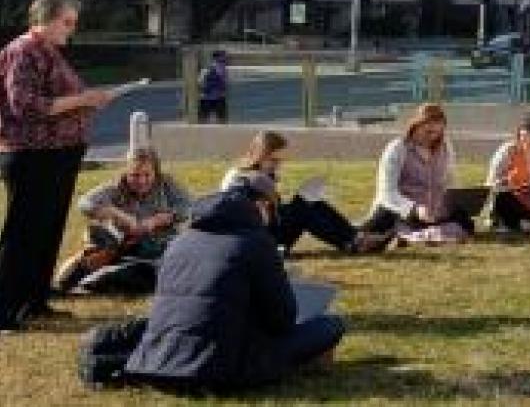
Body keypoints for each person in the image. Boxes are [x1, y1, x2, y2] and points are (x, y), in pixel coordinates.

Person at [123, 183, 346, 392]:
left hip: (156, 362)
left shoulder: (179, 242)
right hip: (223, 368)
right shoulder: (256, 243)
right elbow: (282, 320)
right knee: (331, 324)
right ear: (259, 207)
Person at [0, 0, 117, 332]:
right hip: (33, 155)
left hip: (59, 154)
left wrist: (90, 102)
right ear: (45, 20)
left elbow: (60, 100)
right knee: (23, 233)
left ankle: (34, 302)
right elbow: (24, 104)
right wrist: (82, 99)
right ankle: (6, 308)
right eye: (67, 22)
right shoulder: (24, 50)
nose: (71, 29)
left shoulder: (50, 52)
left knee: (48, 230)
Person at [224, 131, 391, 254]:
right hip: (263, 241)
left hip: (258, 235)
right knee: (305, 207)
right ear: (260, 155)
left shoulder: (239, 173)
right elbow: (271, 216)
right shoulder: (257, 178)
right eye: (274, 160)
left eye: (280, 161)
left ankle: (355, 239)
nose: (277, 165)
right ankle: (354, 241)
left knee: (311, 203)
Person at [54, 147, 192, 295]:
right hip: (122, 246)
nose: (141, 181)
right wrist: (118, 215)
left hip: (159, 246)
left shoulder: (166, 184)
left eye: (147, 175)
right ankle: (72, 282)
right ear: (126, 173)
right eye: (135, 175)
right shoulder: (116, 187)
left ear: (156, 173)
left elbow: (188, 207)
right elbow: (85, 203)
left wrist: (159, 220)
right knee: (96, 252)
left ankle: (98, 281)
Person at [362, 103, 476, 238]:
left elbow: (450, 183)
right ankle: (418, 234)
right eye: (428, 132)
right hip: (401, 211)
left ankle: (417, 236)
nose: (432, 137)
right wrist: (414, 209)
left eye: (438, 133)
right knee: (384, 220)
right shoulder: (397, 148)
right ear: (416, 125)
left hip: (433, 214)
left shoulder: (445, 147)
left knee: (466, 222)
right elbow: (387, 193)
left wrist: (456, 202)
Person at [197, 50, 230, 124]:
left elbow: (200, 82)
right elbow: (200, 82)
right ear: (217, 58)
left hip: (216, 97)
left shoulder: (223, 69)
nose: (225, 59)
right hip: (208, 98)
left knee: (222, 120)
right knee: (204, 120)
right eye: (223, 57)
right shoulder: (208, 69)